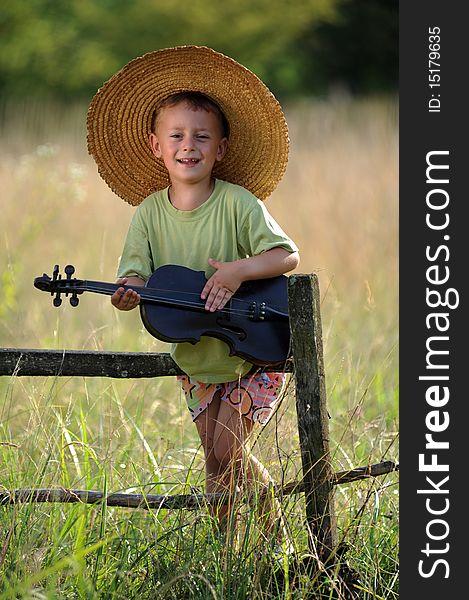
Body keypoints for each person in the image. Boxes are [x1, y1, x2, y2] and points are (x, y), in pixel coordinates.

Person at [87, 46, 299, 544]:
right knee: (220, 463)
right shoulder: (148, 214)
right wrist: (126, 295)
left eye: (202, 136)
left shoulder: (238, 203)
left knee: (228, 454)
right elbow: (134, 277)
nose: (189, 145)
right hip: (198, 357)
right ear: (156, 146)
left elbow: (286, 256)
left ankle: (275, 547)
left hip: (254, 349)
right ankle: (236, 553)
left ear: (220, 148)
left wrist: (238, 273)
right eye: (177, 136)